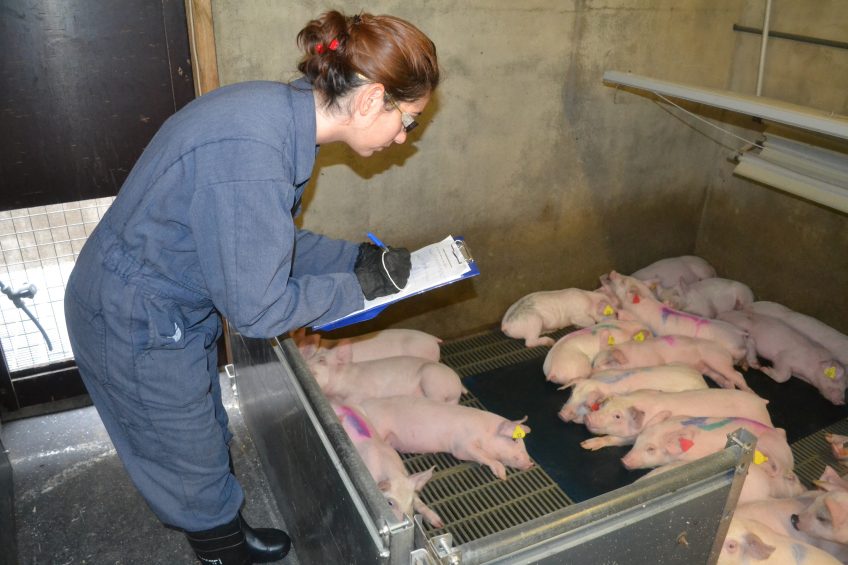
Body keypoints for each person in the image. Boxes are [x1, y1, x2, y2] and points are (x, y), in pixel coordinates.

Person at [64, 10, 439, 564]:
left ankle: (225, 529)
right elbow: (260, 311)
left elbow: (265, 244)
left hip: (169, 297)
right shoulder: (254, 155)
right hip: (134, 316)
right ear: (368, 100)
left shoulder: (278, 117)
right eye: (406, 119)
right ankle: (222, 550)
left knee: (204, 426)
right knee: (186, 452)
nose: (405, 138)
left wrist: (358, 257)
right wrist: (360, 289)